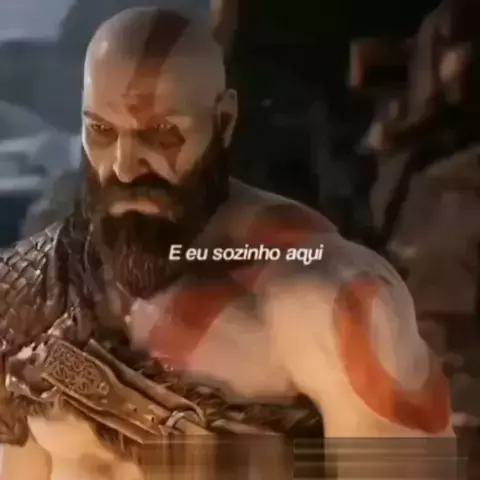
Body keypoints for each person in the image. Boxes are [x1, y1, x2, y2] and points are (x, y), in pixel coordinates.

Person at [0, 7, 455, 480]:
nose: (124, 166)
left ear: (223, 121)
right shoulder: (34, 286)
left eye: (163, 134)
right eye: (101, 131)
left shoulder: (329, 302)